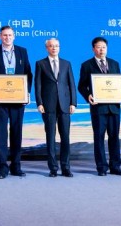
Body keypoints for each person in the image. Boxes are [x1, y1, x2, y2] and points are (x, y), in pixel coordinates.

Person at [0, 25, 33, 178]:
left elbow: (28, 73)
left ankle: (16, 166)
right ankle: (2, 168)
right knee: (1, 134)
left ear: (14, 36)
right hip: (0, 100)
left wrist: (26, 93)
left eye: (10, 35)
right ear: (0, 36)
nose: (7, 38)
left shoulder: (22, 51)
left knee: (17, 132)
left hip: (18, 100)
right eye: (4, 35)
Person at [78, 36, 121, 176]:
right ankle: (101, 167)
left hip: (114, 108)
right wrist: (88, 96)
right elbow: (81, 86)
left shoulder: (114, 63)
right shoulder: (86, 65)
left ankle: (115, 166)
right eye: (99, 47)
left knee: (114, 137)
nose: (102, 50)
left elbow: (118, 84)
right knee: (99, 138)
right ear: (93, 49)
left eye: (104, 47)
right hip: (98, 108)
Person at [34, 38, 77, 177]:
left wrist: (73, 103)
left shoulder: (66, 63)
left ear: (59, 47)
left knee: (65, 137)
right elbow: (38, 85)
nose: (54, 48)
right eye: (51, 46)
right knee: (50, 137)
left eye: (56, 46)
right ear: (47, 48)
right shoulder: (40, 63)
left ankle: (66, 167)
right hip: (48, 105)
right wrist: (39, 103)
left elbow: (71, 84)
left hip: (65, 105)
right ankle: (53, 168)